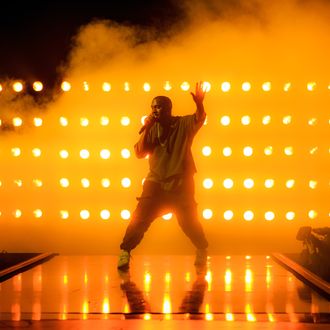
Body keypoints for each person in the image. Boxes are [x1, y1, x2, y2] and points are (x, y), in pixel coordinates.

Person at [117, 81, 209, 270]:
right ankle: (125, 252)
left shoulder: (182, 124)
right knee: (139, 218)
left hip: (180, 181)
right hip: (156, 182)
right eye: (152, 107)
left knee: (188, 222)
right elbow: (139, 152)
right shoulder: (152, 128)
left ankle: (201, 248)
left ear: (168, 108)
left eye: (158, 106)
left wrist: (199, 103)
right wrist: (147, 127)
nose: (155, 110)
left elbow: (199, 118)